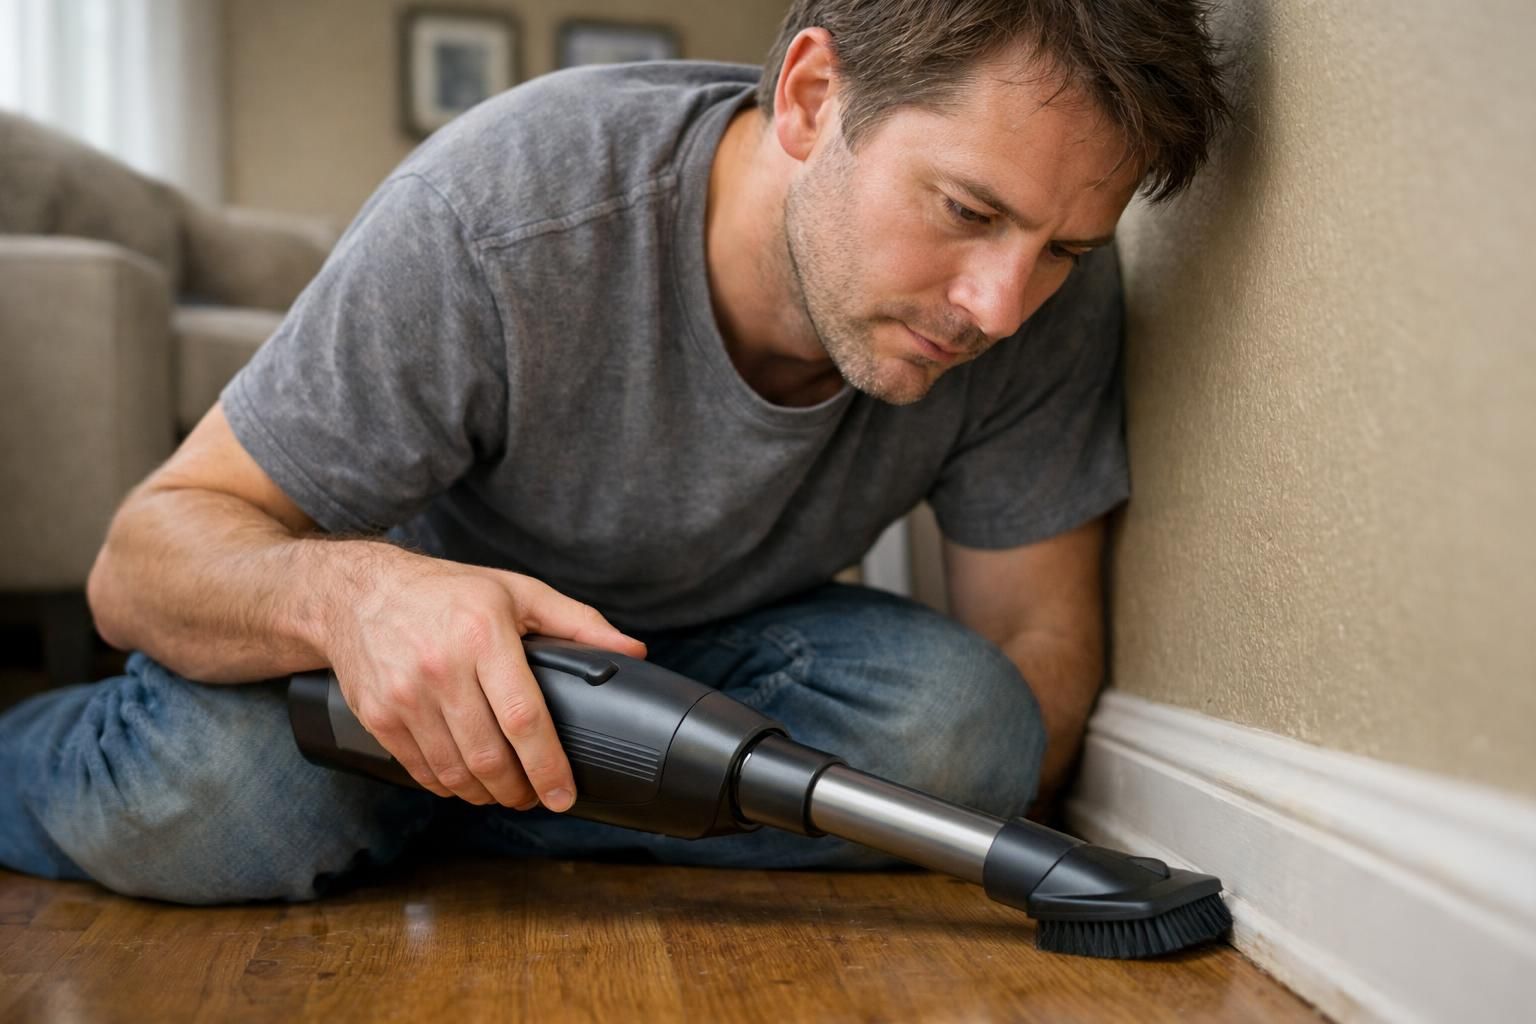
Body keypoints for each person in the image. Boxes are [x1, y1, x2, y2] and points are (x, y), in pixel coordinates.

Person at [0, 0, 1227, 903]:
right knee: (216, 801)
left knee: (965, 731)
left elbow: (1036, 649)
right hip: (386, 677)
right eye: (967, 211)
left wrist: (1006, 824)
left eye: (1064, 246)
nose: (1003, 303)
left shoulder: (1046, 299)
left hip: (715, 673)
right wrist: (355, 591)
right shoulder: (497, 215)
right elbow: (142, 561)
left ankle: (417, 821)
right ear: (810, 99)